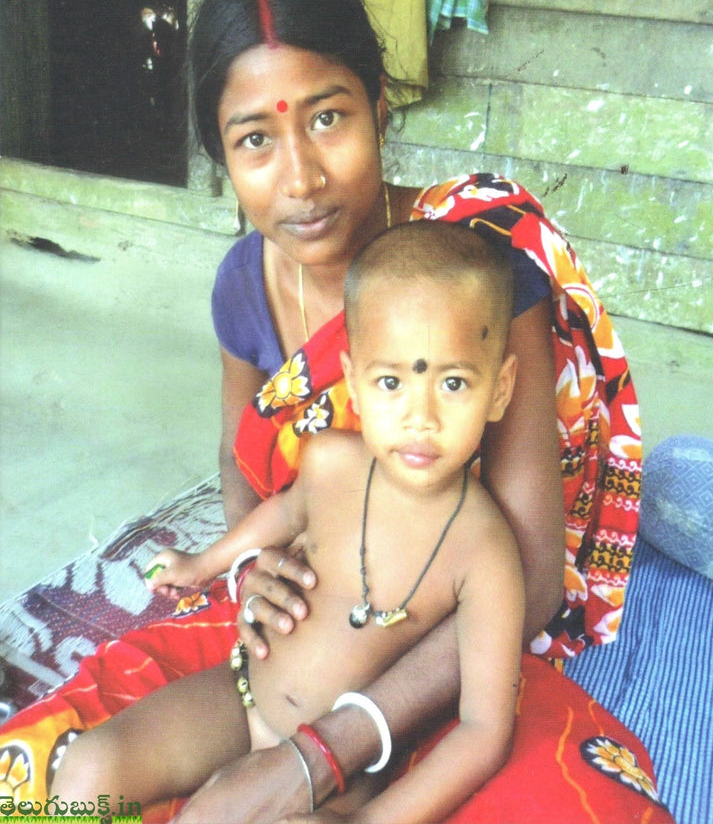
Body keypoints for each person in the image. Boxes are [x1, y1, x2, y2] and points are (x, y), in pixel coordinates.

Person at [1, 0, 664, 824]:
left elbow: (534, 577)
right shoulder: (244, 285)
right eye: (255, 139)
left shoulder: (476, 268)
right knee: (60, 766)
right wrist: (255, 565)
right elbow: (240, 453)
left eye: (327, 118)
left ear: (380, 104)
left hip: (449, 653)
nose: (302, 177)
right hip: (301, 640)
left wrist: (320, 755)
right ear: (219, 154)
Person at [51, 222, 525, 822]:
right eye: (390, 382)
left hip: (347, 774)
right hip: (242, 693)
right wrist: (205, 563)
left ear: (500, 389)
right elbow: (284, 511)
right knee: (87, 770)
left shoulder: (485, 551)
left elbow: (484, 732)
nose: (420, 417)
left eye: (453, 383)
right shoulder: (330, 461)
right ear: (353, 382)